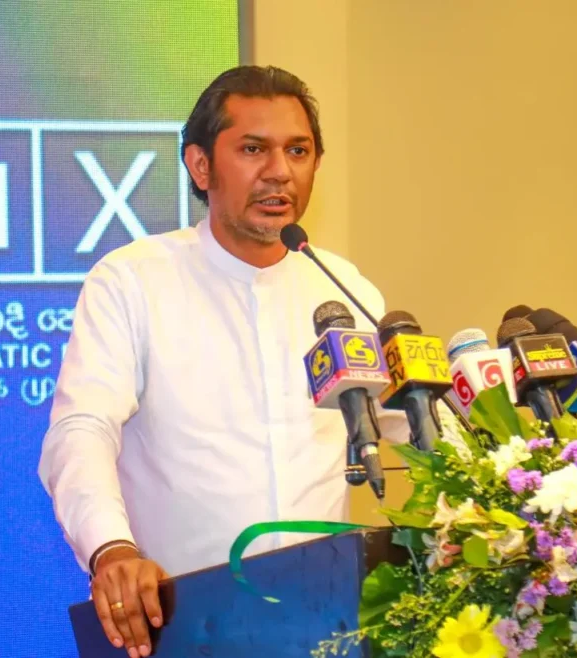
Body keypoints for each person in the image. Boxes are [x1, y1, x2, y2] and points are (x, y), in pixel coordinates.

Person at [38, 65, 414, 658]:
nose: (280, 171)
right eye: (253, 149)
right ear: (200, 165)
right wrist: (111, 549)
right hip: (187, 626)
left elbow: (411, 420)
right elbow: (81, 429)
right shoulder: (133, 280)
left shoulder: (344, 289)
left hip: (330, 623)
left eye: (298, 151)